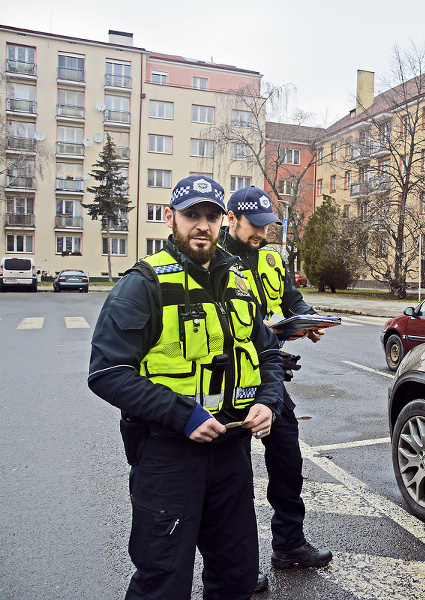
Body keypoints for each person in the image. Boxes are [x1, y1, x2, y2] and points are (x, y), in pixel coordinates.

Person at [88, 175, 283, 600]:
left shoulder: (238, 283)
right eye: (191, 214)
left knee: (236, 575)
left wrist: (269, 403)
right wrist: (183, 414)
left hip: (231, 449)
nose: (202, 225)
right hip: (168, 454)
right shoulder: (143, 284)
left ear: (223, 223)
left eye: (211, 216)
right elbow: (107, 372)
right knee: (163, 581)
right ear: (169, 218)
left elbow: (268, 354)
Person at [221, 186, 332, 589]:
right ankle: (236, 566)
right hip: (225, 379)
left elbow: (291, 300)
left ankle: (288, 544)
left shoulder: (271, 256)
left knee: (287, 460)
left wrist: (309, 320)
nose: (264, 234)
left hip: (268, 377)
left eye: (269, 226)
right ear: (231, 218)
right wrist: (260, 331)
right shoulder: (211, 258)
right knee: (230, 479)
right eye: (256, 226)